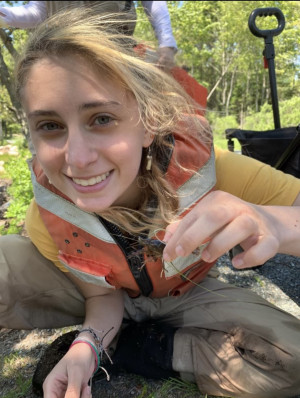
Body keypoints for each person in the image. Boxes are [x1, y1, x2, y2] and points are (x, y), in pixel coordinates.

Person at [1, 8, 300, 398]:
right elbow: (101, 293)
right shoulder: (47, 213)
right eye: (51, 126)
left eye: (102, 119)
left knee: (292, 363)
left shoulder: (213, 169)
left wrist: (273, 222)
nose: (77, 158)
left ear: (146, 123)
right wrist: (89, 342)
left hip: (186, 293)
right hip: (94, 296)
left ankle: (141, 348)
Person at [0, 0, 177, 70]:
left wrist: (166, 43)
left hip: (116, 56)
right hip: (65, 58)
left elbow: (152, 2)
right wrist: (5, 15)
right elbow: (37, 12)